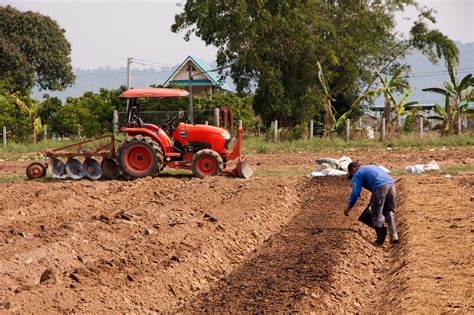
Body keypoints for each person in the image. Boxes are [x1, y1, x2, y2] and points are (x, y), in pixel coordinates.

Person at [343, 162, 399, 246]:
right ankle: (394, 235)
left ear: (353, 169)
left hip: (379, 187)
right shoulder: (371, 167)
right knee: (388, 211)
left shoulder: (357, 174)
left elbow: (355, 193)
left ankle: (379, 240)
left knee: (376, 213)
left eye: (351, 174)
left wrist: (349, 208)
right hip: (391, 184)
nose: (352, 176)